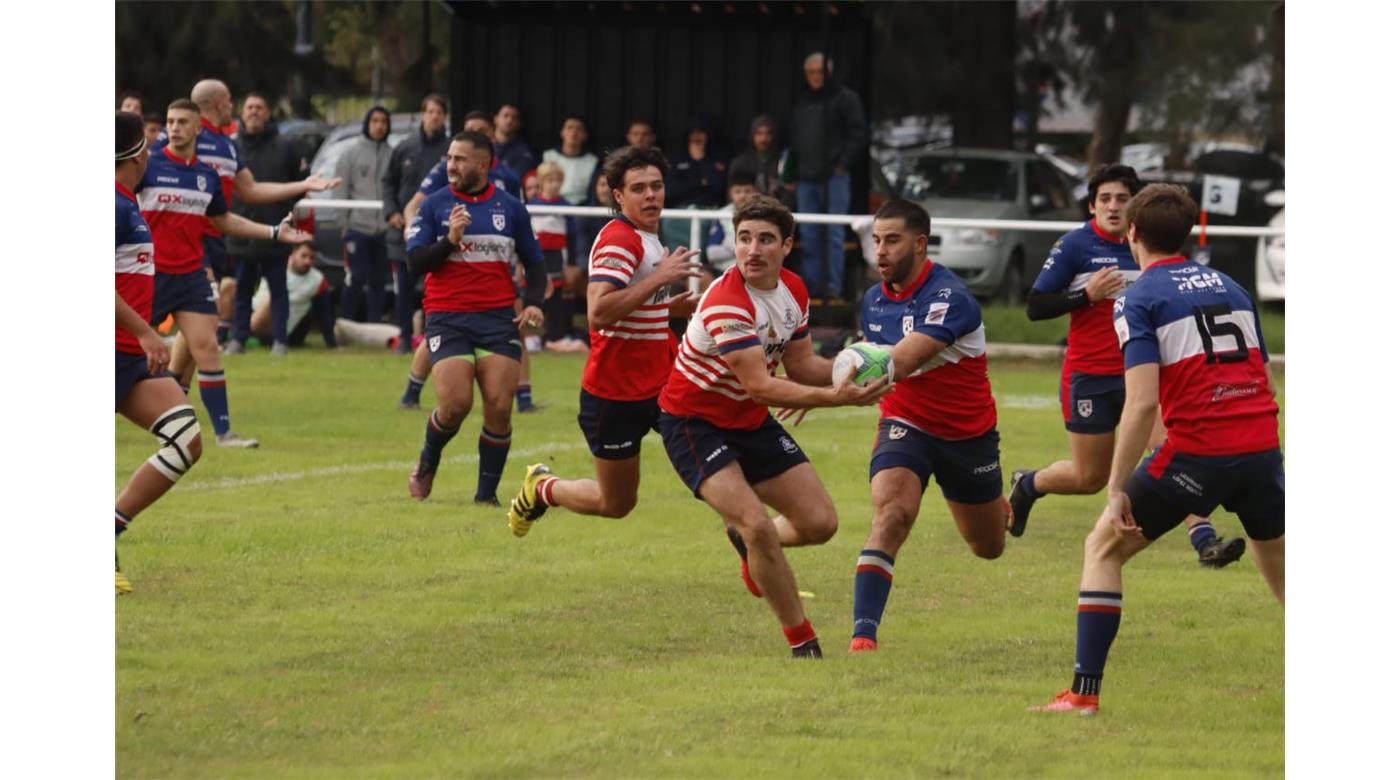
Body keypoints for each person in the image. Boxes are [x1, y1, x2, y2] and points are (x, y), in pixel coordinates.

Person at [1030, 184, 1283, 715]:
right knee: (1282, 568)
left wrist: (1116, 487)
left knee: (1102, 547)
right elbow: (1265, 379)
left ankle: (1083, 694)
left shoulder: (1138, 297)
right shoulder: (1233, 287)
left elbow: (1142, 402)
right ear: (1185, 234)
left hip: (1198, 452)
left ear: (1133, 234)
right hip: (1261, 444)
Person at [661, 194, 888, 657]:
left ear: (787, 246)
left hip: (748, 419)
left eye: (765, 240)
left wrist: (854, 369)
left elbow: (801, 365)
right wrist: (834, 398)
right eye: (744, 238)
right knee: (758, 525)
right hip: (694, 423)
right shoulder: (727, 302)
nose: (752, 250)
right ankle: (802, 641)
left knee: (820, 523)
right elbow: (761, 386)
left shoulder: (793, 289)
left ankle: (745, 542)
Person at [1008, 164, 1245, 568]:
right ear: (1092, 206)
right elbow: (1035, 306)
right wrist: (1085, 295)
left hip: (1145, 373)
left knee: (1170, 450)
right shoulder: (1075, 246)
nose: (1113, 206)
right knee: (1089, 478)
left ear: (1135, 208)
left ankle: (1204, 539)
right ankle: (1029, 484)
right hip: (1090, 376)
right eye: (1105, 199)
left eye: (1122, 199)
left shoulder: (1154, 246)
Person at [841, 199, 1012, 653]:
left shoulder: (950, 297)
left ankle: (1004, 499)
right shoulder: (874, 300)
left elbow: (899, 361)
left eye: (892, 241)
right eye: (876, 240)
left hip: (967, 436)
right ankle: (863, 636)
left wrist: (834, 380)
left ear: (920, 244)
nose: (880, 251)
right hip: (906, 423)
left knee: (988, 546)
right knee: (892, 513)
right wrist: (814, 388)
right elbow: (873, 360)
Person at [504, 145, 700, 535]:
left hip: (662, 382)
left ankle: (751, 534)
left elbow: (629, 306)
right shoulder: (620, 239)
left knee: (714, 461)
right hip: (616, 393)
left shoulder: (646, 237)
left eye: (656, 186)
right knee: (616, 503)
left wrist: (666, 307)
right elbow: (599, 311)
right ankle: (543, 488)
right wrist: (660, 279)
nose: (651, 195)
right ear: (618, 196)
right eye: (639, 188)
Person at [138, 99, 310, 448]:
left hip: (191, 276)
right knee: (123, 351)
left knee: (207, 347)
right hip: (151, 275)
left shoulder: (206, 176)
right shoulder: (148, 167)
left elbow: (225, 221)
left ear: (198, 127)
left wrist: (273, 232)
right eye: (170, 121)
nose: (174, 128)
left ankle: (224, 434)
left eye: (182, 122)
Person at [404, 130, 546, 505]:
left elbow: (536, 263)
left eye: (460, 159)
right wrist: (449, 240)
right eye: (450, 158)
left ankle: (486, 496)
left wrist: (534, 303)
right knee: (455, 404)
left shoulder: (511, 208)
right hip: (448, 317)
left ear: (483, 165)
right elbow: (415, 262)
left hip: (497, 319)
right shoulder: (434, 206)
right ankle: (428, 460)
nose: (451, 165)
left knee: (499, 406)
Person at [115, 111, 203, 594]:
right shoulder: (111, 203)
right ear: (137, 155)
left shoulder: (126, 201)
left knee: (186, 439)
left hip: (128, 358)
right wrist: (148, 333)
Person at [398, 109, 528, 410]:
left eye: (480, 131)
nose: (473, 135)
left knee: (515, 324)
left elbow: (520, 223)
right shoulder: (444, 173)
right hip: (452, 279)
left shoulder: (508, 177)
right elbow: (415, 205)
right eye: (469, 129)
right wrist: (413, 232)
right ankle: (411, 392)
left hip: (497, 270)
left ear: (489, 137)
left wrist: (521, 257)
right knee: (441, 334)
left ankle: (524, 398)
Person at [225, 91, 316, 356]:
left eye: (259, 107)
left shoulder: (286, 146)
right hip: (242, 231)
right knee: (242, 291)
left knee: (279, 291)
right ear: (242, 113)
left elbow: (300, 183)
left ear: (268, 113)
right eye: (250, 107)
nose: (254, 112)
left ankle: (280, 341)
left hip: (277, 231)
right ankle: (238, 339)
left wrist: (283, 210)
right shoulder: (231, 146)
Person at [786, 52, 867, 301]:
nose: (815, 77)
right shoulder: (803, 102)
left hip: (834, 177)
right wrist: (792, 172)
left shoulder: (845, 98)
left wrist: (843, 163)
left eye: (819, 72)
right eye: (810, 72)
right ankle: (811, 288)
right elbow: (794, 139)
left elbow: (858, 133)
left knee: (833, 232)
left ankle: (832, 286)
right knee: (809, 233)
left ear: (829, 73)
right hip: (806, 178)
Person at [384, 94, 451, 354]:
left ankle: (433, 336)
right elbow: (388, 182)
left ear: (445, 116)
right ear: (422, 114)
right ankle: (404, 337)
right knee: (404, 289)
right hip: (405, 229)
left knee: (434, 288)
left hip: (438, 230)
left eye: (439, 112)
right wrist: (392, 212)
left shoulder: (451, 151)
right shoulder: (405, 147)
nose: (434, 116)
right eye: (430, 111)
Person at [332, 106, 393, 326]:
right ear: (367, 123)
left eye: (383, 122)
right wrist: (343, 225)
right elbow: (340, 190)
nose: (379, 126)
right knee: (355, 277)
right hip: (357, 228)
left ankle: (373, 324)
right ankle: (346, 323)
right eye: (375, 121)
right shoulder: (350, 153)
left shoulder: (392, 154)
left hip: (383, 229)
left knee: (379, 280)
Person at [529, 161, 585, 352]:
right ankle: (532, 337)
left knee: (556, 299)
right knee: (535, 295)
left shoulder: (566, 207)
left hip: (557, 258)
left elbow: (572, 237)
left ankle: (554, 337)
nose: (554, 184)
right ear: (541, 182)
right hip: (537, 258)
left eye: (558, 181)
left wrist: (571, 264)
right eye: (550, 180)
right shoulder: (533, 206)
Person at [248, 242, 338, 349]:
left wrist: (332, 344)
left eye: (312, 258)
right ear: (293, 253)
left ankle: (242, 335)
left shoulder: (317, 281)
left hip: (275, 328)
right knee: (230, 285)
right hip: (251, 311)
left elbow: (324, 314)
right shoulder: (274, 266)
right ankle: (235, 332)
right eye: (304, 256)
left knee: (272, 298)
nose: (307, 261)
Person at [663, 119, 728, 250]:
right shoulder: (676, 158)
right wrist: (700, 184)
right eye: (693, 133)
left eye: (701, 133)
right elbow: (670, 191)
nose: (697, 137)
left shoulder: (718, 157)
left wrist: (701, 159)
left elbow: (719, 187)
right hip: (681, 212)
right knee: (667, 223)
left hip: (710, 211)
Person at [701, 170, 760, 285]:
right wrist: (743, 248)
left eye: (747, 191)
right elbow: (712, 253)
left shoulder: (765, 214)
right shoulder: (722, 215)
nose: (742, 196)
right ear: (730, 194)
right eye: (738, 192)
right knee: (701, 278)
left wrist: (730, 244)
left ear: (756, 192)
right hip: (724, 270)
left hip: (754, 269)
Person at [542, 115, 599, 205]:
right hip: (551, 205)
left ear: (585, 135)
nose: (574, 132)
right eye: (569, 128)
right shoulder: (548, 156)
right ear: (562, 132)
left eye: (578, 129)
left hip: (581, 208)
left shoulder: (592, 161)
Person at [729, 115, 784, 201]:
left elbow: (789, 191)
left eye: (768, 134)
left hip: (777, 207)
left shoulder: (782, 161)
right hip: (749, 208)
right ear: (752, 135)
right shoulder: (740, 163)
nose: (763, 138)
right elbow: (732, 194)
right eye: (759, 133)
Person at [493, 103, 536, 179]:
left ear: (519, 124)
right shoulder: (484, 146)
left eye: (514, 118)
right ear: (496, 119)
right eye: (505, 116)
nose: (509, 121)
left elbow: (515, 178)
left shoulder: (523, 151)